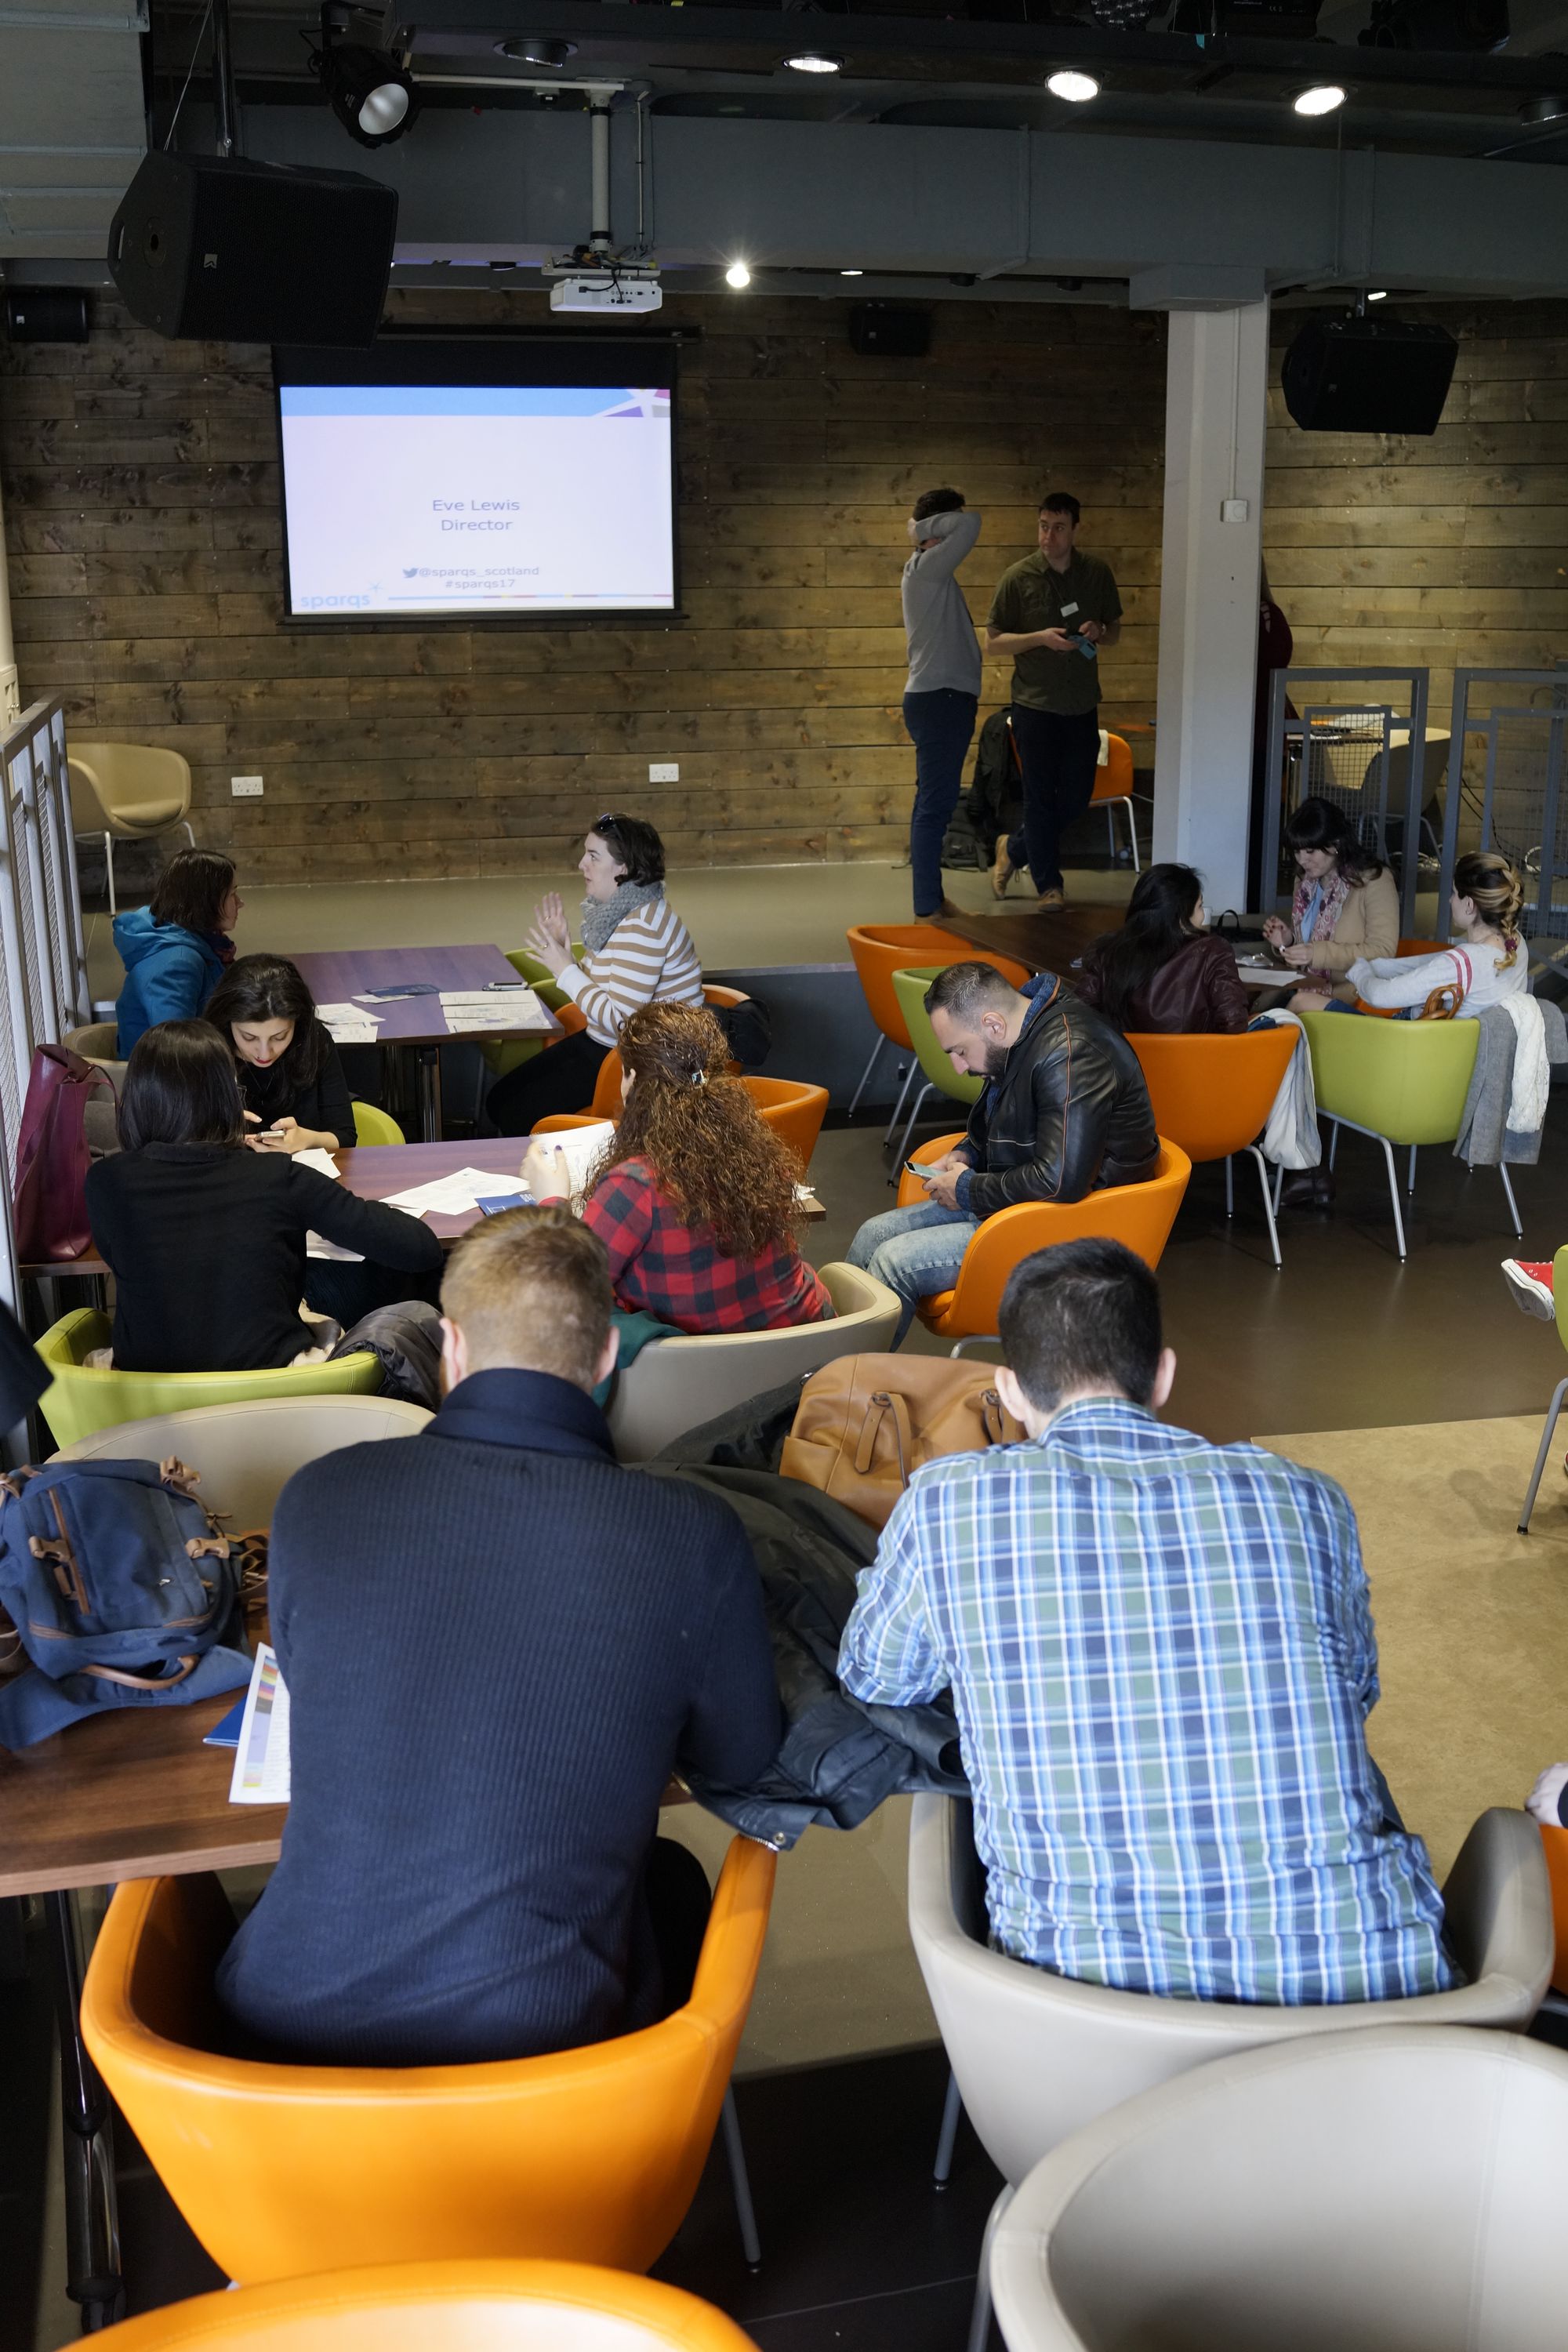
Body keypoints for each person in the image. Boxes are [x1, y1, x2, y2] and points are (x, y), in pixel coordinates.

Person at [217, 1204, 780, 2065]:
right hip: (554, 2055)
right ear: (604, 1358)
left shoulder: (317, 1497)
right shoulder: (690, 1533)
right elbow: (742, 1760)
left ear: (450, 1346)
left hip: (273, 2050)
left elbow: (314, 1681)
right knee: (666, 1877)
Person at [839, 1237, 1457, 2005]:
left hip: (1078, 2026)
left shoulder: (946, 1503)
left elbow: (875, 1674)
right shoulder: (1308, 1498)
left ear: (1008, 1391)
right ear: (1161, 1374)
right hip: (1382, 2014)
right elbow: (1354, 1693)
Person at [85, 1022, 443, 1374]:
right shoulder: (278, 1176)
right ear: (229, 1096)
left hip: (145, 1391)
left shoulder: (106, 1181)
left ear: (137, 1098)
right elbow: (421, 1248)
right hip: (276, 1385)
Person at [845, 960, 1158, 1345]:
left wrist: (967, 1190)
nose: (957, 1067)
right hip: (1024, 1204)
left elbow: (1060, 1181)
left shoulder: (1070, 1053)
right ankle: (821, 1361)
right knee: (873, 1233)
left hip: (1073, 1223)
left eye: (960, 1051)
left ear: (993, 1025)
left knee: (894, 1263)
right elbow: (1004, 1128)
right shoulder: (1017, 1036)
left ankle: (847, 1377)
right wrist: (967, 1154)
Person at [522, 1001, 830, 1335]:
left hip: (698, 1364)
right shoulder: (758, 1154)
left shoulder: (636, 1184)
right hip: (810, 1343)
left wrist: (552, 1201)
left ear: (633, 1080)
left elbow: (560, 1291)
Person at [488, 815, 703, 1134]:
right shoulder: (620, 914)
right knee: (499, 1100)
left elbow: (623, 1023)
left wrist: (565, 969)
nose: (581, 864)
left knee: (511, 1112)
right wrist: (566, 955)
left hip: (640, 1061)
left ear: (623, 868)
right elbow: (608, 991)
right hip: (607, 1044)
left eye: (593, 856)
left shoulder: (643, 926)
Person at [985, 492, 1123, 909]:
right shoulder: (1018, 577)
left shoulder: (1096, 573)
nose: (1048, 536)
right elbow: (994, 642)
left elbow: (1114, 632)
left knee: (1076, 799)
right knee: (1040, 799)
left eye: (1059, 528)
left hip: (1081, 704)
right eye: (1044, 527)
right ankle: (1050, 887)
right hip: (1034, 705)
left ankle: (1013, 849)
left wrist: (1099, 630)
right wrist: (1040, 639)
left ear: (1076, 529)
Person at [902, 486, 983, 924]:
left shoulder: (931, 572)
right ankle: (926, 909)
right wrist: (921, 528)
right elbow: (970, 524)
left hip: (942, 700)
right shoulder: (927, 567)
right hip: (940, 701)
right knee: (934, 807)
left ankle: (932, 901)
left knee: (933, 804)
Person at [1341, 851, 1528, 1020]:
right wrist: (1377, 966)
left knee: (1333, 1009)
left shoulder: (1465, 963)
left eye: (1455, 893)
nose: (1450, 900)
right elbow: (1436, 964)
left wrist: (1359, 971)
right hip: (1466, 1043)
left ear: (1469, 905)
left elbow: (1379, 996)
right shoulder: (1516, 943)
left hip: (1415, 1040)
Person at [1076, 862, 1250, 1035]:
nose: (1203, 914)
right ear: (1181, 917)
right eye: (1199, 906)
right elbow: (1233, 1022)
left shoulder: (1107, 952)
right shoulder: (1213, 952)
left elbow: (1078, 1017)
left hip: (1124, 1054)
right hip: (1194, 1054)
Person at [205, 953, 354, 1153]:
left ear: (297, 1022)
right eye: (249, 1037)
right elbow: (177, 1139)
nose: (264, 1053)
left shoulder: (313, 1041)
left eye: (279, 1037)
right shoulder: (206, 1051)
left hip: (301, 1169)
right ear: (227, 1023)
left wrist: (307, 1139)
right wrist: (217, 1134)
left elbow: (345, 1136)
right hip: (231, 1170)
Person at [1261, 797, 1399, 1011]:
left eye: (1310, 851)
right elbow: (1306, 951)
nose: (1302, 860)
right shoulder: (1305, 882)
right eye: (1297, 851)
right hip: (1304, 988)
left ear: (1335, 845)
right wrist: (1288, 942)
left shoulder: (1374, 880)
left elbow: (1383, 951)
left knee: (1273, 1019)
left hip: (1350, 995)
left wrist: (1316, 954)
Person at [114, 848, 242, 1056]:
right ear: (205, 900)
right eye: (232, 894)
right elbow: (176, 1050)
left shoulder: (198, 943)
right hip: (163, 1074)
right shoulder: (178, 962)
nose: (240, 903)